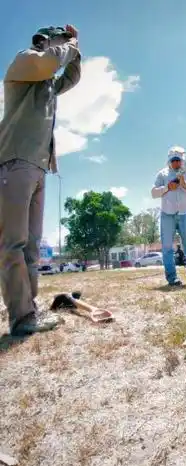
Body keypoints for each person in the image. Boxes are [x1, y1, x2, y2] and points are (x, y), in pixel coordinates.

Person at [0, 25, 81, 335]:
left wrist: (77, 50)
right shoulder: (24, 62)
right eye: (58, 42)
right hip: (14, 161)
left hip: (37, 165)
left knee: (31, 246)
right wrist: (68, 46)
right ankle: (19, 318)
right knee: (12, 244)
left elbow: (70, 78)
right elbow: (47, 62)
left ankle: (29, 311)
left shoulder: (47, 85)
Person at [150, 146, 186, 286]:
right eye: (173, 160)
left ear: (183, 160)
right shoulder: (162, 174)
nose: (176, 163)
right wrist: (167, 188)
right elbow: (153, 192)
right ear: (169, 161)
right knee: (167, 248)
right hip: (167, 214)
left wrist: (185, 184)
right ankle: (172, 278)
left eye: (178, 160)